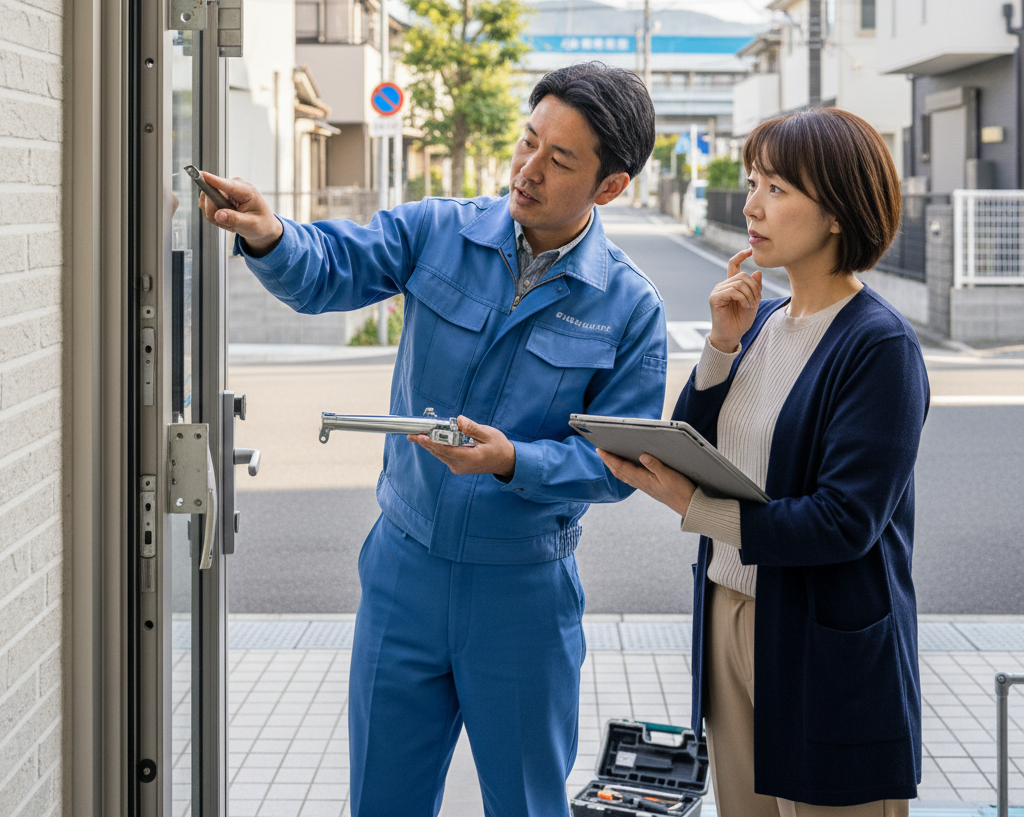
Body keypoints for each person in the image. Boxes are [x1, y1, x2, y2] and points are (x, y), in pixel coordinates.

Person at [197, 62, 668, 817]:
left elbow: (619, 464)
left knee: (526, 801)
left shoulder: (628, 305)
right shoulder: (439, 231)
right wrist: (272, 236)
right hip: (403, 572)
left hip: (523, 591)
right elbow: (331, 269)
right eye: (527, 142)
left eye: (560, 160)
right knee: (382, 798)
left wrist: (513, 460)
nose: (528, 169)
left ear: (609, 186)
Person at [600, 108, 929, 816]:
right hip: (728, 611)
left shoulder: (879, 347)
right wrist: (720, 344)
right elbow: (692, 444)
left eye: (776, 188)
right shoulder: (763, 324)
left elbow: (845, 522)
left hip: (822, 637)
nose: (751, 205)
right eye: (754, 182)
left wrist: (698, 510)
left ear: (838, 210)